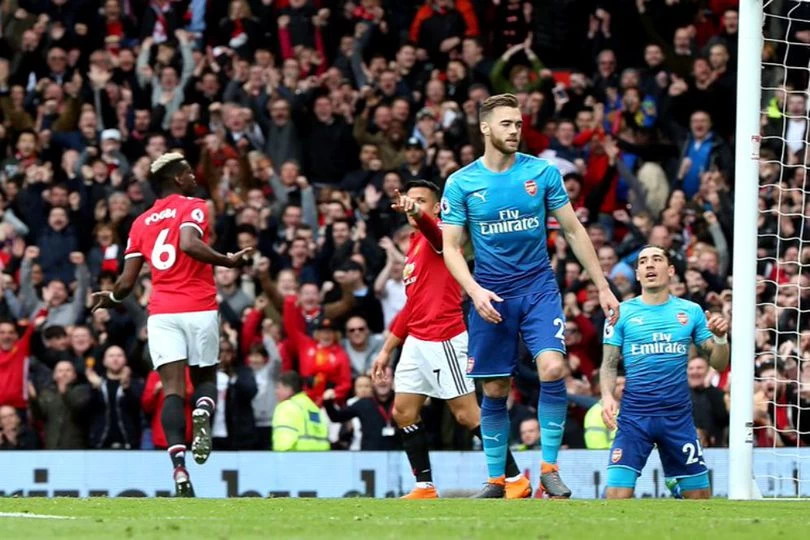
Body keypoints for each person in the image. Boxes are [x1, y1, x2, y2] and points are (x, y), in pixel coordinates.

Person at [440, 93, 620, 498]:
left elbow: (572, 229)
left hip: (538, 287)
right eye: (506, 124)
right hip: (490, 292)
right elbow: (450, 248)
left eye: (518, 124)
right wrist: (474, 291)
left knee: (553, 368)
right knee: (495, 389)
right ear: (485, 128)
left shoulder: (542, 172)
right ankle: (497, 481)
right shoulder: (462, 182)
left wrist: (603, 285)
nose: (514, 131)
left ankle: (550, 470)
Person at [90, 152, 254, 496]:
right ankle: (204, 412)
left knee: (173, 391)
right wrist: (227, 261)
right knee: (205, 378)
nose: (194, 177)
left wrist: (113, 298)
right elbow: (189, 243)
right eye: (190, 173)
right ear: (177, 179)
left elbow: (126, 282)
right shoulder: (193, 206)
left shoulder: (140, 223)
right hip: (198, 306)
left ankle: (179, 469)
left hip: (162, 313)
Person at [372, 179, 530, 499]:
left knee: (466, 414)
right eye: (410, 199)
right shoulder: (415, 246)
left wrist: (419, 214)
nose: (412, 205)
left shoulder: (443, 234)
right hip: (416, 341)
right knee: (403, 411)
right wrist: (386, 350)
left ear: (437, 207)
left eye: (420, 200)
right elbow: (411, 306)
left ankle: (515, 479)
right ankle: (424, 487)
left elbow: (435, 233)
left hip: (443, 336)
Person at [600, 245, 729, 499]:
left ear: (670, 271)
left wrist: (721, 338)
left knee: (700, 500)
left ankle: (678, 487)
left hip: (677, 417)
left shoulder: (691, 311)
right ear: (638, 274)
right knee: (616, 496)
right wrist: (607, 396)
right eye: (643, 262)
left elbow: (719, 364)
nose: (649, 265)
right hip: (635, 417)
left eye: (657, 259)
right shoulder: (620, 313)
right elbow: (609, 363)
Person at [271, 371, 330, 451]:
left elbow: (283, 442)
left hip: (296, 456)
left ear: (289, 389)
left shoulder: (286, 407)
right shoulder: (313, 407)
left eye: (278, 387)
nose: (276, 391)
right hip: (321, 456)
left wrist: (279, 457)